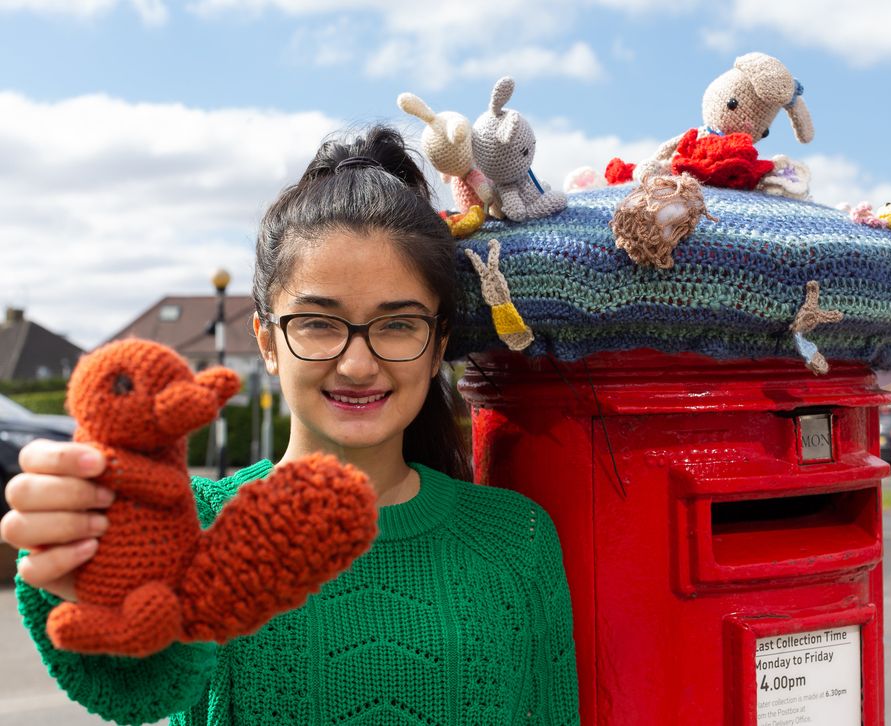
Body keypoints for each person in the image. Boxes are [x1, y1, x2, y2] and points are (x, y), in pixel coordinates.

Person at [0, 126, 580, 725]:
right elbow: (138, 685)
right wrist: (73, 574)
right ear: (267, 342)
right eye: (318, 323)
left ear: (438, 346)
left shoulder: (516, 540)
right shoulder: (190, 524)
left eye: (398, 324)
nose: (357, 365)